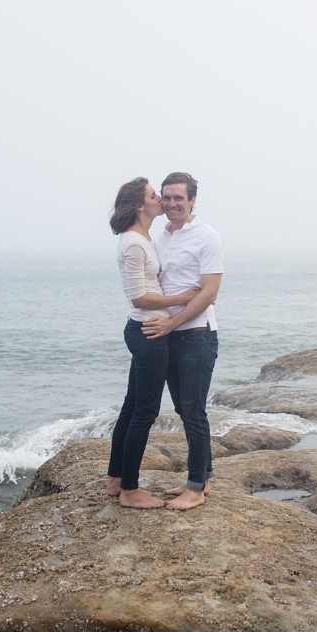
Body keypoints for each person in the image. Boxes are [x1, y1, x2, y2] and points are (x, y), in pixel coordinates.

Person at [105, 178, 202, 509]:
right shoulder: (134, 242)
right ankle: (130, 491)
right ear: (139, 206)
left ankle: (116, 479)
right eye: (153, 195)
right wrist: (183, 297)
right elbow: (138, 296)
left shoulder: (145, 237)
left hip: (145, 330)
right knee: (144, 412)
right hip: (149, 332)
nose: (161, 199)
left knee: (132, 406)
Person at [151, 172, 224, 510]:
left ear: (192, 200)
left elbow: (209, 293)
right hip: (171, 337)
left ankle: (195, 488)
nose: (171, 204)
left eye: (178, 198)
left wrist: (172, 324)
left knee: (194, 411)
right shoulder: (160, 237)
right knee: (184, 408)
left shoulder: (207, 237)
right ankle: (203, 476)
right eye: (166, 197)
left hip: (197, 336)